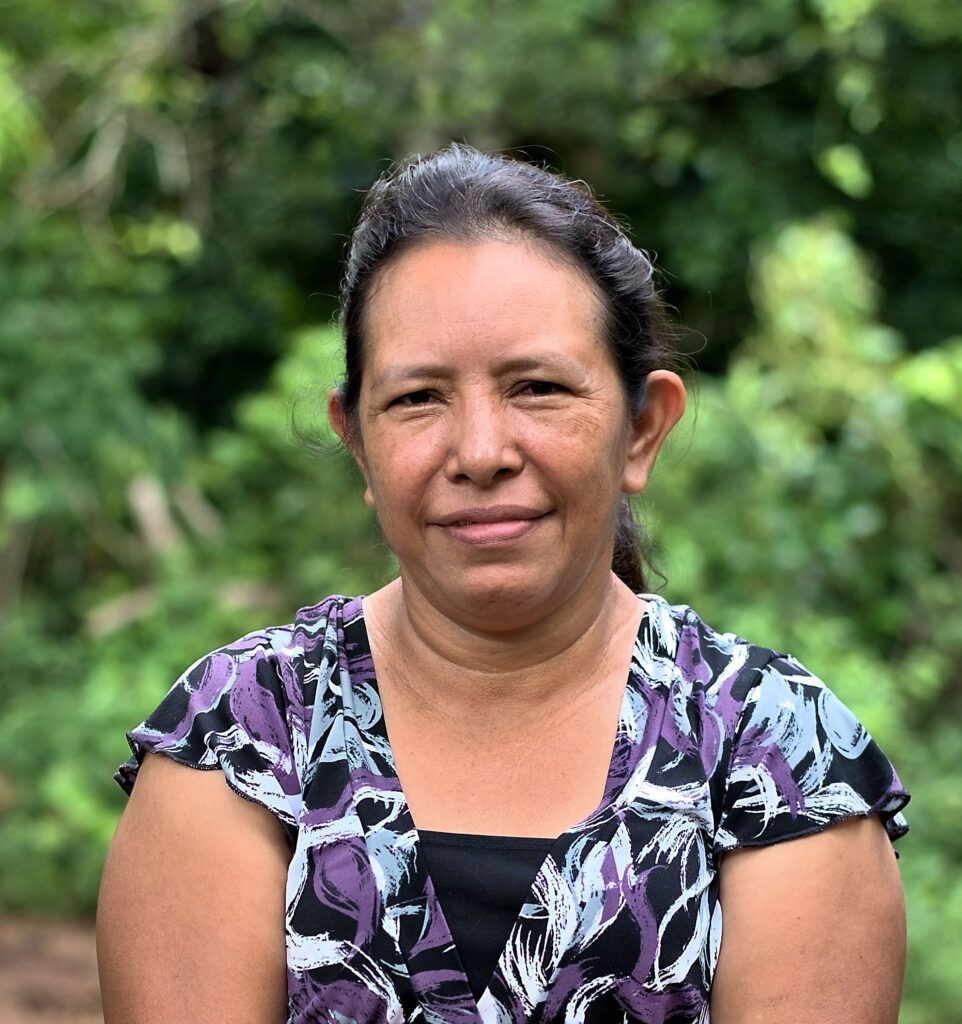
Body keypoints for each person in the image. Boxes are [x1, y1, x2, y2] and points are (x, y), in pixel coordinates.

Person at [96, 144, 909, 1024]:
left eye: (538, 387)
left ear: (641, 430)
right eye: (418, 399)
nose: (481, 452)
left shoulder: (772, 751)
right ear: (357, 439)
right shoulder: (247, 734)